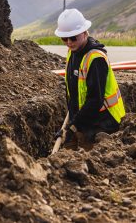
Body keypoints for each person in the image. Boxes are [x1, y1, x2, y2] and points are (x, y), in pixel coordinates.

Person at [54, 8, 125, 150]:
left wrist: (73, 126)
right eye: (64, 39)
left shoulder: (95, 59)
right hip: (85, 118)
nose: (69, 42)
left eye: (73, 37)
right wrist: (71, 124)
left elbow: (95, 100)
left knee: (91, 159)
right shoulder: (72, 52)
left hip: (104, 122)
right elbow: (75, 93)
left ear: (85, 32)